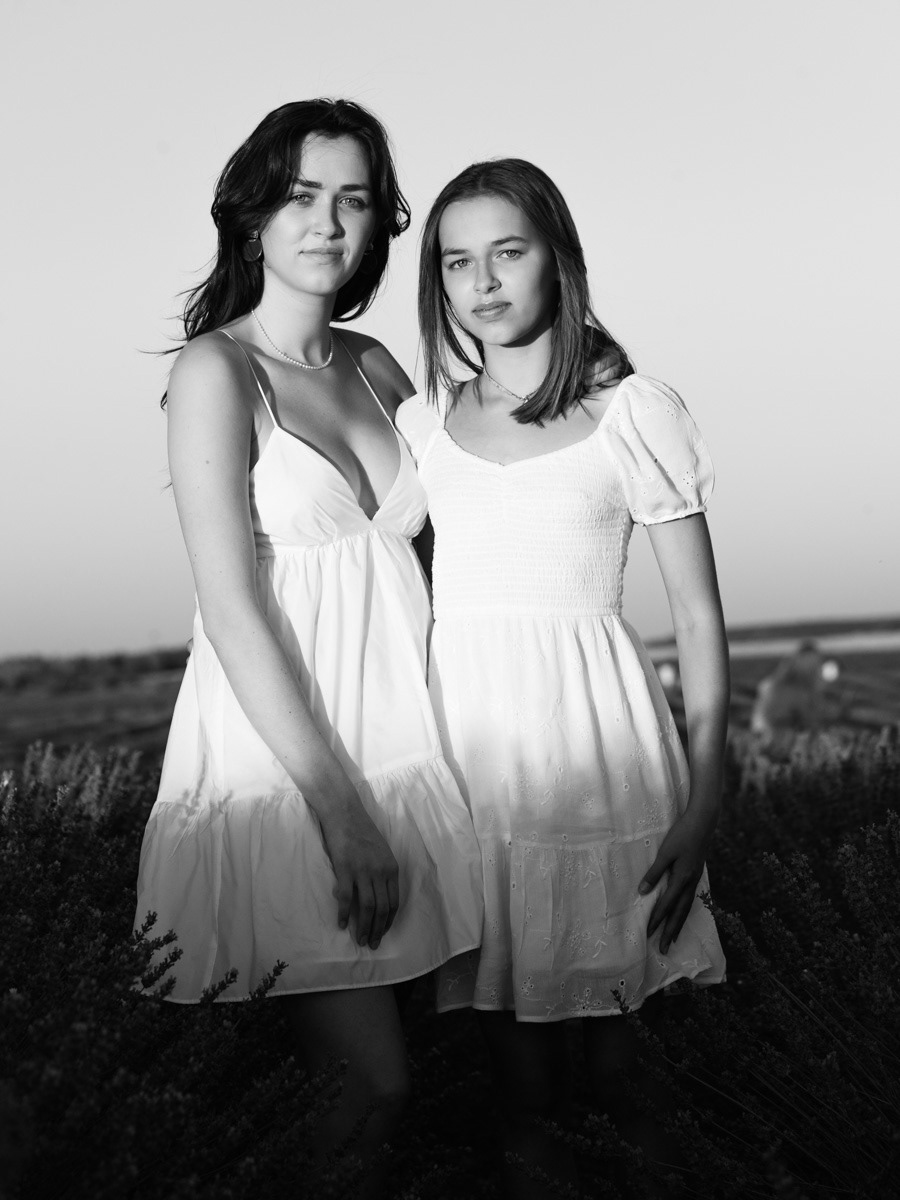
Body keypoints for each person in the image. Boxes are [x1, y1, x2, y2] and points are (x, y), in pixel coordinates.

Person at [133, 99, 482, 1190]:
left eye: (353, 199)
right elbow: (231, 605)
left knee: (459, 1076)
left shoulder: (378, 368)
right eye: (300, 196)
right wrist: (338, 811)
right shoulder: (215, 372)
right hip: (294, 770)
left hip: (408, 749)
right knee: (373, 1085)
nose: (328, 222)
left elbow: (452, 550)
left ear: (379, 223)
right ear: (253, 216)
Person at [397, 159, 728, 1197]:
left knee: (630, 1077)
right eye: (457, 261)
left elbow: (697, 617)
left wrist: (706, 796)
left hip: (603, 761)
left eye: (508, 251)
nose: (483, 281)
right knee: (519, 1090)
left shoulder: (631, 411)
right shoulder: (422, 426)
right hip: (476, 772)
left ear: (559, 257)